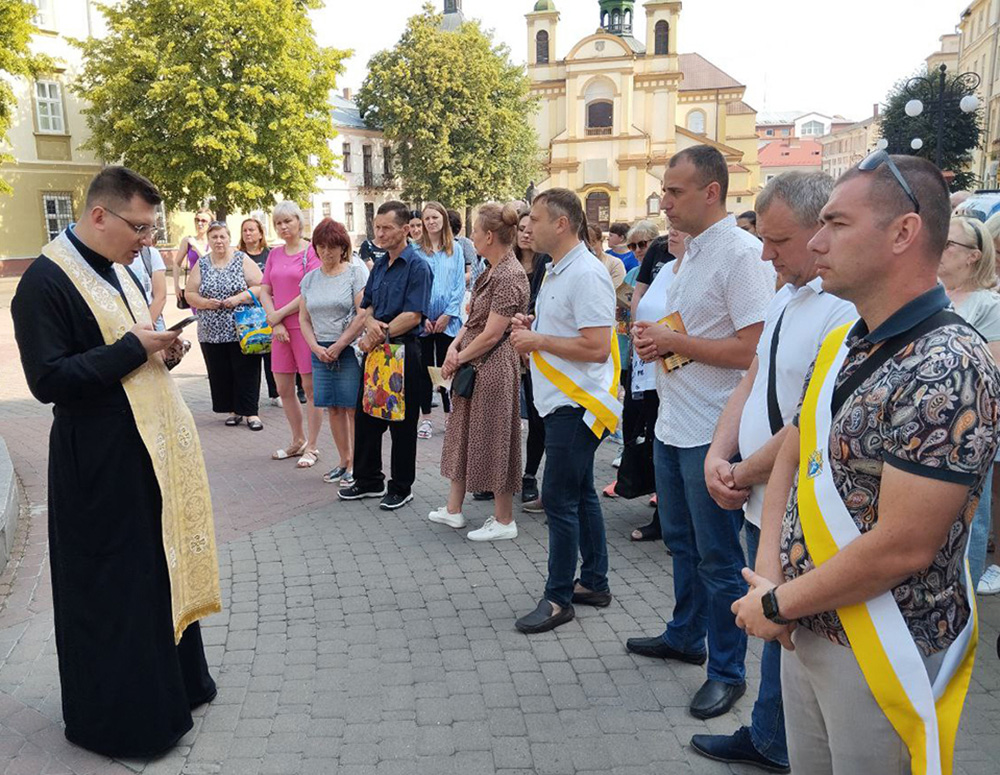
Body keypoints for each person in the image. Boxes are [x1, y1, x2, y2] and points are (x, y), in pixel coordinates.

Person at [732, 153, 1000, 775]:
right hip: (804, 626)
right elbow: (795, 455)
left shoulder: (950, 363)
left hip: (881, 645)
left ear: (904, 233)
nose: (817, 242)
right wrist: (769, 573)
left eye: (838, 224)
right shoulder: (849, 338)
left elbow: (902, 547)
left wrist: (774, 604)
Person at [11, 166, 219, 757]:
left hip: (147, 450)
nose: (146, 241)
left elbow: (132, 350)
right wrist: (134, 348)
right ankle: (126, 719)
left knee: (158, 570)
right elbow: (48, 380)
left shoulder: (122, 270)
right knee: (117, 585)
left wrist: (162, 351)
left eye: (152, 229)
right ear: (98, 215)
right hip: (98, 462)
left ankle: (179, 685)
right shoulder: (44, 283)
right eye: (140, 227)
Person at [692, 172, 856, 773]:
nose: (766, 254)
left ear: (823, 229)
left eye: (778, 240)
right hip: (760, 489)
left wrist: (738, 470)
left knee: (789, 624)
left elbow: (809, 422)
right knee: (771, 611)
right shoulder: (788, 292)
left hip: (795, 497)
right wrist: (720, 451)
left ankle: (779, 740)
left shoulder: (844, 309)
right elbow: (753, 377)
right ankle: (770, 734)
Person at [629, 145, 775, 719]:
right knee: (683, 544)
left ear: (711, 192)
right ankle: (686, 635)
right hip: (674, 421)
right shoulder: (686, 255)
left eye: (675, 191)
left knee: (718, 557)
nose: (664, 202)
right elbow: (693, 330)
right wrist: (658, 340)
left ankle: (728, 669)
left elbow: (752, 350)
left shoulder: (740, 254)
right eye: (664, 191)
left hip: (714, 429)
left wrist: (672, 343)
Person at [510, 188, 619, 634]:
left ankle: (558, 598)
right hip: (561, 401)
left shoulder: (587, 274)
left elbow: (596, 347)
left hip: (579, 403)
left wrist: (538, 341)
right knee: (580, 494)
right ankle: (593, 582)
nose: (527, 226)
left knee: (558, 498)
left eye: (534, 218)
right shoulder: (558, 270)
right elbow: (573, 331)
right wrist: (538, 327)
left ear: (561, 223)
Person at [433, 202, 530, 540]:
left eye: (475, 231)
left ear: (489, 236)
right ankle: (453, 509)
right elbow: (474, 321)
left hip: (491, 366)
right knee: (463, 432)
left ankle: (504, 520)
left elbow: (492, 334)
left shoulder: (509, 275)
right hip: (475, 361)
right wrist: (454, 345)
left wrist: (458, 357)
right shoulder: (490, 268)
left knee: (494, 438)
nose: (471, 236)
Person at [338, 200, 432, 510]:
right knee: (367, 416)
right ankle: (368, 481)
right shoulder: (379, 264)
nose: (379, 233)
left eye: (387, 228)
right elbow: (366, 305)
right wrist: (369, 323)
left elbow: (415, 314)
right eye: (377, 227)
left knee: (402, 423)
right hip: (377, 351)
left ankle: (401, 486)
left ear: (406, 230)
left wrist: (381, 331)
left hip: (404, 351)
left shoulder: (418, 266)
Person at [938, 216, 1000, 591]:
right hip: (931, 428)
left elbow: (990, 372)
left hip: (969, 427)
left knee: (972, 517)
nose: (939, 250)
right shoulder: (930, 292)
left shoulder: (988, 305)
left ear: (973, 256)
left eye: (949, 245)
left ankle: (965, 599)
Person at [299, 218, 369, 487]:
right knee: (334, 409)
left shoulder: (354, 273)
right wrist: (315, 347)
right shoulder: (309, 279)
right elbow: (304, 318)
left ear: (343, 248)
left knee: (352, 409)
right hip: (320, 350)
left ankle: (357, 466)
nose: (326, 253)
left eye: (332, 247)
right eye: (321, 247)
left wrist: (340, 344)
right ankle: (344, 460)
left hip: (348, 349)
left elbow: (363, 314)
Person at [626, 226, 686, 543]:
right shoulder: (664, 263)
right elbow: (641, 296)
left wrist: (666, 345)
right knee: (653, 439)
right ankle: (665, 514)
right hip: (651, 371)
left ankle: (671, 518)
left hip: (679, 373)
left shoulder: (695, 270)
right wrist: (638, 332)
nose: (671, 230)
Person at [184, 221, 265, 430]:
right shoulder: (202, 263)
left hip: (242, 327)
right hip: (211, 330)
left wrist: (238, 298)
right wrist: (204, 303)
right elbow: (189, 293)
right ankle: (233, 410)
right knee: (221, 371)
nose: (218, 241)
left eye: (222, 237)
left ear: (229, 238)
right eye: (214, 237)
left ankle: (251, 413)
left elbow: (261, 286)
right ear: (209, 241)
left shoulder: (241, 259)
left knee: (246, 369)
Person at [261, 200, 323, 466]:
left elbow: (307, 292)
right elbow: (264, 289)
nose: (283, 226)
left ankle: (313, 445)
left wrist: (280, 315)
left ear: (299, 221)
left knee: (310, 389)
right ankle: (297, 439)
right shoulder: (274, 254)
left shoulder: (311, 253)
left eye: (288, 221)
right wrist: (274, 321)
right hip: (280, 329)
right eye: (278, 222)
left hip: (303, 326)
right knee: (283, 387)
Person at [414, 201, 466, 439]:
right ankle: (425, 418)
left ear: (443, 219)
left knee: (447, 367)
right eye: (427, 219)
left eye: (435, 217)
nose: (431, 222)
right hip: (423, 320)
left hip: (448, 320)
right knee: (423, 369)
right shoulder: (416, 250)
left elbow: (458, 284)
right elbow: (414, 286)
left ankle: (449, 415)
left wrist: (449, 314)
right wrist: (422, 314)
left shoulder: (455, 249)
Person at [515, 209, 551, 510]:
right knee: (508, 416)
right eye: (521, 228)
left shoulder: (547, 266)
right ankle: (501, 476)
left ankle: (530, 476)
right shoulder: (506, 266)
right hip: (511, 349)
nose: (526, 233)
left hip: (535, 353)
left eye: (531, 227)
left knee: (538, 420)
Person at [239, 217, 280, 407]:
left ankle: (276, 392)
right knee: (252, 350)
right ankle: (249, 397)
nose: (248, 234)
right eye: (245, 230)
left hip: (269, 309)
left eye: (251, 230)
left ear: (260, 233)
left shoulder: (270, 255)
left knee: (272, 352)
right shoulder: (238, 256)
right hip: (247, 312)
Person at [173, 207, 212, 307]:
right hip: (194, 289)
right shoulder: (188, 241)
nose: (200, 223)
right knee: (198, 318)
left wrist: (196, 246)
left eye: (204, 221)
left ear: (210, 223)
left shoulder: (213, 241)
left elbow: (209, 262)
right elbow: (177, 263)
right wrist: (176, 285)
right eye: (197, 220)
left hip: (211, 287)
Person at [127, 243, 167, 330]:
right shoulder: (110, 256)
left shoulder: (149, 253)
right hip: (125, 318)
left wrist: (148, 325)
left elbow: (160, 296)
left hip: (152, 315)